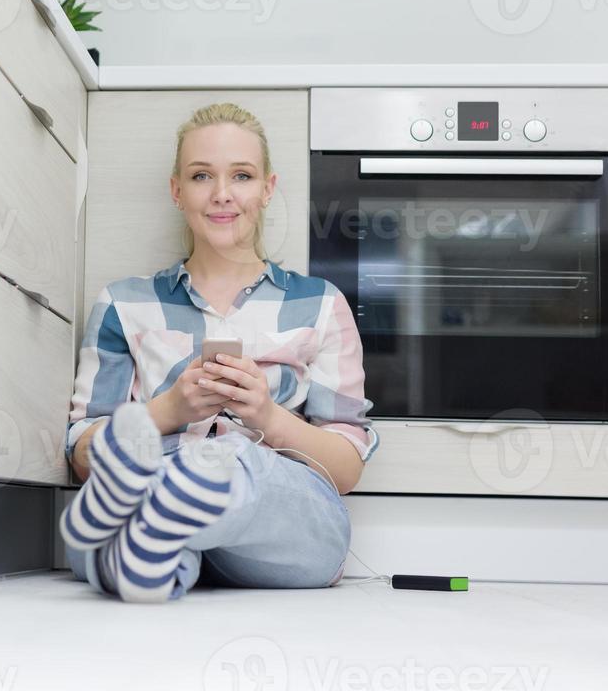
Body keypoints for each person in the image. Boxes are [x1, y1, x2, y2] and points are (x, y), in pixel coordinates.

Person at [60, 101, 379, 604]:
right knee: (141, 486)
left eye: (243, 176)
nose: (223, 194)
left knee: (228, 462)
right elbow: (82, 457)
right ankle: (168, 531)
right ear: (177, 191)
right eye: (202, 175)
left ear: (268, 189)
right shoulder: (124, 303)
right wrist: (168, 412)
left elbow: (344, 472)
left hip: (284, 527)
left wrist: (267, 416)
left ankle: (162, 513)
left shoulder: (320, 304)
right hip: (159, 486)